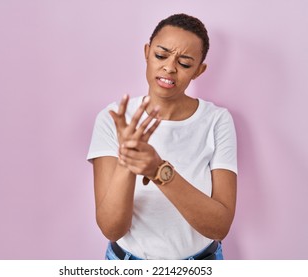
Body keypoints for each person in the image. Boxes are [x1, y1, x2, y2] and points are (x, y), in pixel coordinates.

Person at [87, 13, 237, 260]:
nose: (169, 67)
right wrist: (127, 162)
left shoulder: (217, 120)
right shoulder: (113, 118)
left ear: (199, 70)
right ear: (147, 52)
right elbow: (112, 229)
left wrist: (158, 170)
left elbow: (219, 227)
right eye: (160, 55)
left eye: (185, 63)